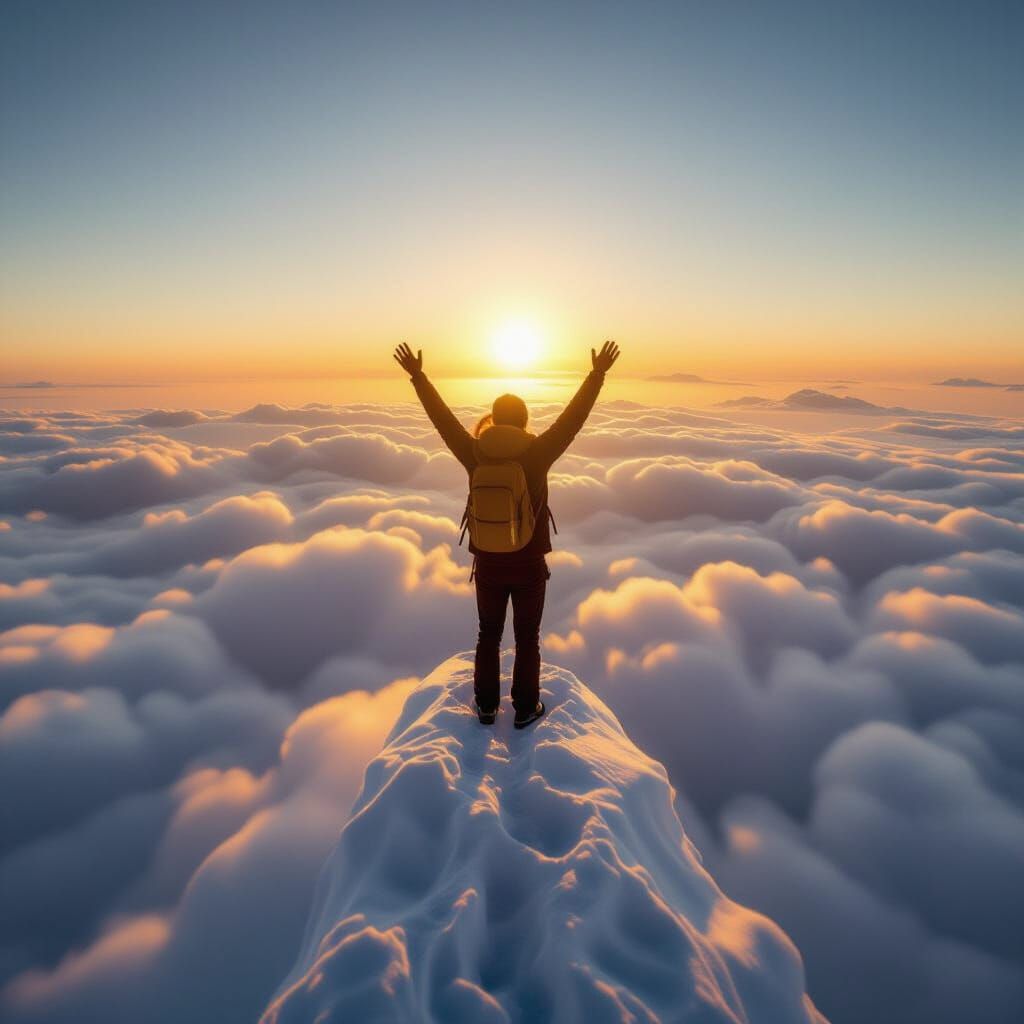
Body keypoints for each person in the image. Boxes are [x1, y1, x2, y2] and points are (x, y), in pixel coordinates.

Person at [394, 339, 620, 728]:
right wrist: (597, 374)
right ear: (524, 421)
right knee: (527, 637)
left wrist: (418, 376)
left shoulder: (474, 452)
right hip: (529, 564)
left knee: (488, 634)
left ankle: (485, 707)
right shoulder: (537, 453)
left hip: (488, 564)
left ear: (494, 419)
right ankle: (525, 708)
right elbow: (573, 418)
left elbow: (443, 420)